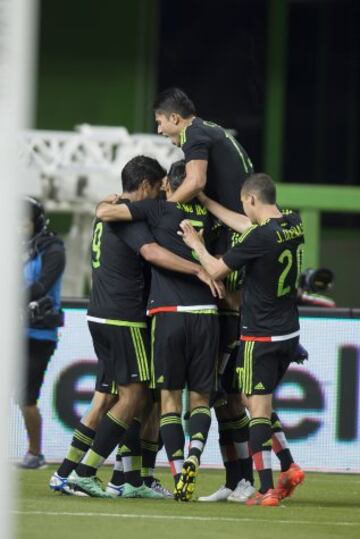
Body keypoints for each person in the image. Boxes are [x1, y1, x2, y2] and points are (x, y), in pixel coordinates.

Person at [67, 156, 220, 498]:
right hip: (125, 315)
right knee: (136, 395)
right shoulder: (143, 213)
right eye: (159, 185)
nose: (164, 191)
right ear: (149, 185)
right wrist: (198, 269)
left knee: (141, 397)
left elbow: (103, 211)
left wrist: (102, 202)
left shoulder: (122, 209)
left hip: (107, 312)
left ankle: (127, 477)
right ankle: (86, 471)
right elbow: (151, 252)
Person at [179, 173, 305, 506]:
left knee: (257, 407)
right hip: (289, 331)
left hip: (261, 334)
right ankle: (289, 466)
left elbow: (217, 270)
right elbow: (248, 226)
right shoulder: (294, 221)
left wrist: (197, 246)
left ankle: (266, 490)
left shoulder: (259, 238)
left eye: (244, 203)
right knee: (253, 401)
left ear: (250, 200)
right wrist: (208, 203)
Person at [19, 197, 65, 469]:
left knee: (27, 398)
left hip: (39, 333)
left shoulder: (53, 248)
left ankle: (35, 453)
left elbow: (44, 284)